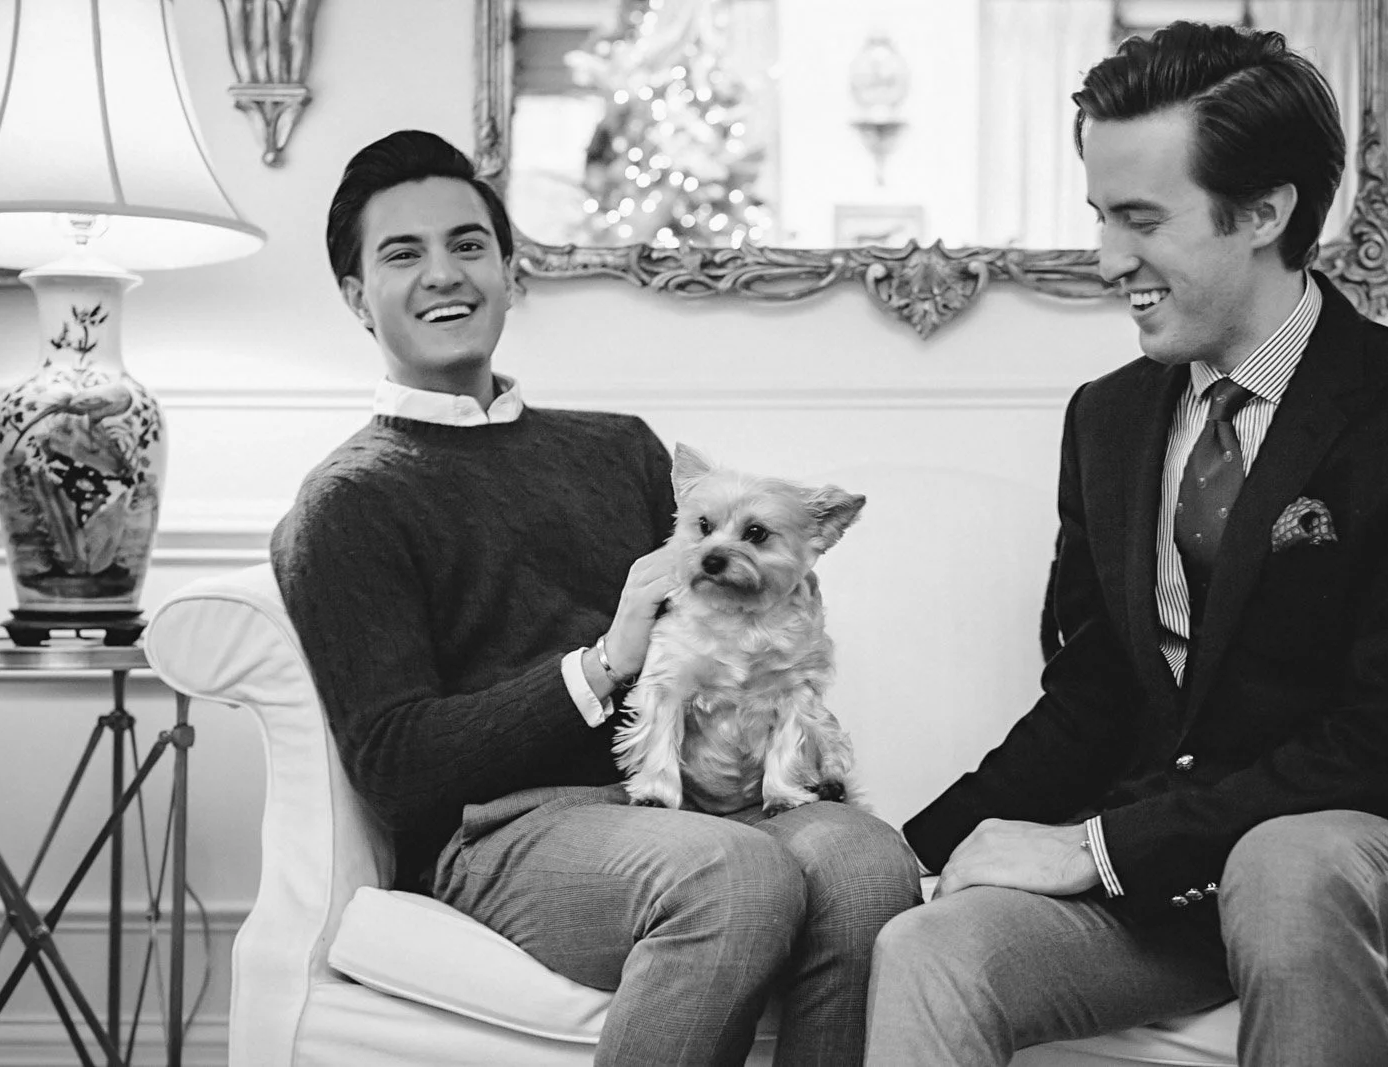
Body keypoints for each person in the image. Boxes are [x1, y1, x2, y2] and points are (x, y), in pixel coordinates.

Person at [865, 22, 1388, 1067]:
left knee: (1286, 866)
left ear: (1263, 211)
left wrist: (1094, 848)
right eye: (1098, 215)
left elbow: (1384, 743)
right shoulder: (1107, 418)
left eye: (1139, 219)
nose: (1104, 260)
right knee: (929, 946)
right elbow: (1091, 693)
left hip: (1368, 859)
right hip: (1166, 879)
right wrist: (904, 850)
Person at [270, 129, 921, 1067]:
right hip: (501, 834)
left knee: (866, 861)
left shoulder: (620, 447)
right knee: (732, 877)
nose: (444, 274)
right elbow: (395, 763)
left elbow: (726, 600)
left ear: (508, 268)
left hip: (687, 790)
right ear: (354, 297)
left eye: (468, 244)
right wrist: (601, 664)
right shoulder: (349, 502)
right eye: (402, 254)